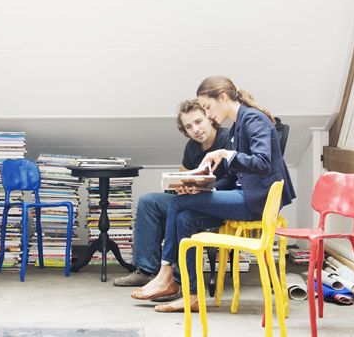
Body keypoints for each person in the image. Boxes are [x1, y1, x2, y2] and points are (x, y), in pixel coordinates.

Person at [131, 75, 296, 313]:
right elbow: (233, 174)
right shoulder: (238, 126)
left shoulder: (253, 120)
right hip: (244, 196)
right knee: (184, 218)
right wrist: (203, 186)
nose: (208, 115)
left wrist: (226, 155)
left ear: (223, 97)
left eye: (207, 108)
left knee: (178, 203)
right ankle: (193, 296)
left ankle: (165, 273)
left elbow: (263, 163)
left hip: (257, 201)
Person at [113, 99, 235, 291]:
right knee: (148, 202)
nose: (195, 130)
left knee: (182, 213)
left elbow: (233, 179)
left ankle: (177, 276)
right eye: (188, 126)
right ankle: (146, 270)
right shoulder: (192, 147)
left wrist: (206, 188)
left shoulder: (227, 139)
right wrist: (180, 186)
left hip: (219, 204)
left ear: (210, 118)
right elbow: (184, 174)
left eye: (198, 122)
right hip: (193, 199)